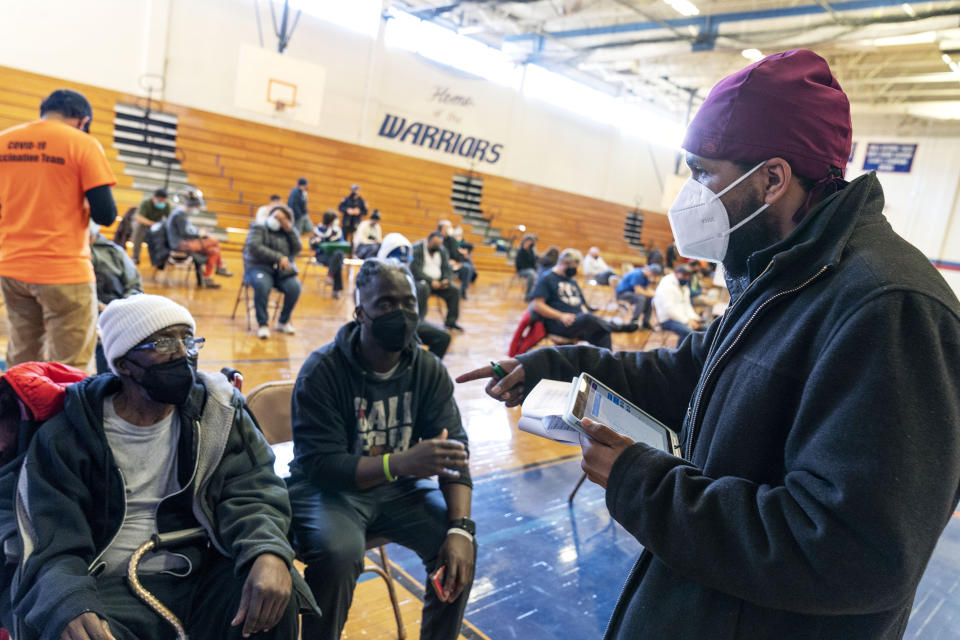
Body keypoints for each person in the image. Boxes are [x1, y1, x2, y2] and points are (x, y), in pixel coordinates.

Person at [458, 49, 960, 640]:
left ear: (772, 179)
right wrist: (554, 365)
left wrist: (642, 483)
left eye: (703, 173)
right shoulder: (783, 274)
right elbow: (685, 373)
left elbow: (853, 554)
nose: (690, 194)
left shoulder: (890, 309)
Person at [11, 294, 318, 640]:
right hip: (110, 585)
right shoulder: (69, 435)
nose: (182, 354)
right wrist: (69, 600)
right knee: (68, 626)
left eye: (188, 340)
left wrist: (267, 549)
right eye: (163, 343)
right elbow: (51, 539)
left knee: (275, 590)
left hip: (200, 567)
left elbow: (253, 489)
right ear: (124, 363)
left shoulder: (216, 414)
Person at [288, 259, 475, 640]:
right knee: (339, 552)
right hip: (328, 491)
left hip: (396, 490)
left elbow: (455, 452)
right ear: (360, 312)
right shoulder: (322, 370)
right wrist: (401, 463)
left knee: (455, 549)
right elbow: (319, 465)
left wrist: (462, 530)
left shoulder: (428, 370)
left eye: (409, 303)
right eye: (387, 304)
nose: (401, 314)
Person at [0, 88, 117, 372]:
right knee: (71, 368)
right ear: (82, 120)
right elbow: (106, 214)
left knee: (21, 360)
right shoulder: (83, 144)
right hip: (63, 272)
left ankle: (21, 416)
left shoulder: (5, 141)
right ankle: (62, 418)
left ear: (44, 110)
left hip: (12, 268)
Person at [529, 249, 634, 349]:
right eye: (573, 267)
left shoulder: (571, 281)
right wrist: (561, 316)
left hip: (577, 323)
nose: (575, 270)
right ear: (564, 263)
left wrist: (584, 315)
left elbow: (581, 303)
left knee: (603, 332)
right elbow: (537, 305)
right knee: (588, 318)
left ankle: (605, 363)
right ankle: (616, 327)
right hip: (560, 324)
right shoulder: (547, 278)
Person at [379, 233, 452, 359]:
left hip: (409, 323)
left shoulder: (407, 277)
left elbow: (413, 313)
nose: (402, 263)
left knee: (443, 337)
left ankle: (427, 370)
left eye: (404, 260)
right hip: (385, 326)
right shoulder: (373, 276)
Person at [90, 221, 143, 373]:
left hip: (119, 309)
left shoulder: (115, 252)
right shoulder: (71, 254)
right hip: (89, 310)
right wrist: (99, 306)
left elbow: (134, 285)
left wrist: (121, 306)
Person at [243, 205, 302, 339]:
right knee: (262, 284)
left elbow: (297, 249)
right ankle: (263, 324)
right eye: (275, 217)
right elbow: (254, 247)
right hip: (258, 268)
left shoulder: (286, 232)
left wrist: (290, 231)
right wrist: (278, 257)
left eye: (281, 219)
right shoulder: (259, 228)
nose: (277, 220)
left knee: (294, 287)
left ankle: (283, 321)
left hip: (280, 272)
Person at [166, 191, 232, 289]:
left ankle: (207, 278)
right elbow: (185, 233)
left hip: (184, 242)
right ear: (193, 205)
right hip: (179, 244)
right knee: (214, 241)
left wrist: (199, 231)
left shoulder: (181, 212)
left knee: (214, 251)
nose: (198, 209)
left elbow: (189, 228)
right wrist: (199, 234)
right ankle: (220, 266)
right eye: (197, 207)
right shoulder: (180, 214)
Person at [411, 232, 463, 331]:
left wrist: (446, 279)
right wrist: (431, 281)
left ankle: (451, 322)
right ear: (428, 241)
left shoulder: (442, 250)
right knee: (423, 288)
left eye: (439, 244)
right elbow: (415, 271)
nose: (437, 246)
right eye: (435, 244)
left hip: (439, 283)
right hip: (421, 281)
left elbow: (447, 268)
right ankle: (420, 321)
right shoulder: (417, 249)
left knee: (454, 290)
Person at [652, 264, 702, 339]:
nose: (687, 278)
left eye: (688, 276)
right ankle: (680, 350)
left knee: (703, 328)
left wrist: (693, 317)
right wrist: (687, 321)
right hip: (667, 319)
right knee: (688, 332)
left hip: (681, 317)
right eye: (684, 275)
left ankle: (693, 350)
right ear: (676, 274)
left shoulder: (684, 286)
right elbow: (669, 310)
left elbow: (687, 305)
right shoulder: (667, 285)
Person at [310, 209, 346, 299]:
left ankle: (330, 275)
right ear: (331, 220)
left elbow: (342, 244)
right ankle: (335, 291)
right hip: (322, 256)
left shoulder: (337, 231)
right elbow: (313, 246)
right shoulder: (319, 229)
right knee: (338, 262)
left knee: (338, 255)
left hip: (335, 257)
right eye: (335, 219)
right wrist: (318, 241)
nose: (337, 221)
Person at [615, 263, 662, 329]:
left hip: (631, 294)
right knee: (641, 298)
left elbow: (647, 289)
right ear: (651, 272)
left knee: (649, 299)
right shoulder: (637, 274)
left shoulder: (646, 277)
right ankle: (634, 321)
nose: (654, 278)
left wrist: (655, 294)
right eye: (654, 275)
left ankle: (645, 322)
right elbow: (638, 290)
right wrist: (653, 294)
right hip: (622, 294)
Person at [438, 220, 476, 300]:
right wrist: (447, 261)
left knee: (468, 267)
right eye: (447, 228)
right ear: (441, 229)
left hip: (454, 264)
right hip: (441, 264)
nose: (449, 229)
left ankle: (463, 291)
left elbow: (456, 253)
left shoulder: (452, 240)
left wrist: (461, 260)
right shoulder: (437, 238)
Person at [131, 189, 168, 265]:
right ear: (153, 198)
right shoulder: (146, 203)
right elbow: (139, 218)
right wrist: (153, 224)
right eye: (159, 200)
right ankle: (135, 257)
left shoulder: (166, 205)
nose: (161, 202)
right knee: (139, 228)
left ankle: (159, 259)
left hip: (156, 227)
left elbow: (170, 219)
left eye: (163, 201)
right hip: (143, 224)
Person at [515, 234, 538, 300]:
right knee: (532, 274)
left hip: (531, 270)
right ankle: (528, 295)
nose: (529, 243)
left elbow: (533, 262)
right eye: (528, 241)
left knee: (538, 273)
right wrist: (524, 250)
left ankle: (536, 294)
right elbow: (520, 265)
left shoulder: (531, 250)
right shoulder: (521, 250)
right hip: (522, 270)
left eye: (531, 242)